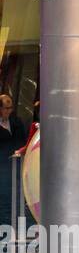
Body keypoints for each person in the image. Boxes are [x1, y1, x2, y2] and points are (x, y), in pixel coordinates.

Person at [0, 94, 28, 228]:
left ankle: (16, 228)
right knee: (4, 201)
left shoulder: (17, 122)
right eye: (6, 108)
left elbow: (23, 141)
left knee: (17, 200)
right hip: (2, 169)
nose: (9, 111)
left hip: (17, 167)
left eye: (10, 108)